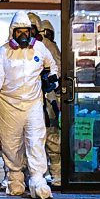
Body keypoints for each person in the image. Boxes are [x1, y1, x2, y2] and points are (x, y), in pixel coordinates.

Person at [0, 11, 58, 199]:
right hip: (8, 104)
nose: (23, 36)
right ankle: (15, 180)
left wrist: (51, 79)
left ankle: (38, 180)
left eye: (26, 31)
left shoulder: (40, 49)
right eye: (19, 31)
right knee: (11, 145)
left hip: (33, 103)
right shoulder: (2, 53)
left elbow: (52, 65)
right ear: (13, 32)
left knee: (36, 141)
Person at [40, 19, 62, 187]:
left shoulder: (48, 47)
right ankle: (55, 175)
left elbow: (57, 74)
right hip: (39, 100)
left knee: (50, 138)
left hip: (46, 99)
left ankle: (54, 175)